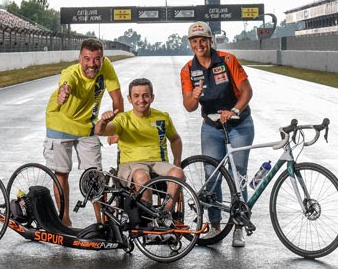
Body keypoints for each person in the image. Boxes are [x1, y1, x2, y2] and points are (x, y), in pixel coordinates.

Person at [180, 21, 254, 247]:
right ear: (191, 44)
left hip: (239, 124)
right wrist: (194, 94)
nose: (199, 44)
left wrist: (234, 111)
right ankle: (215, 226)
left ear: (210, 40)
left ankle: (239, 227)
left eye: (203, 39)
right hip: (211, 128)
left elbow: (247, 91)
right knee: (212, 176)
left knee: (238, 176)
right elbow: (189, 106)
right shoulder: (187, 70)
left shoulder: (228, 60)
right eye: (195, 41)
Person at [43, 38, 124, 227]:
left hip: (88, 125)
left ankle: (102, 221)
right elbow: (65, 84)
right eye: (87, 59)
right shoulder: (70, 73)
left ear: (103, 59)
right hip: (60, 123)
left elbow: (117, 98)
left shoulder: (106, 67)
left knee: (95, 174)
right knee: (62, 172)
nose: (92, 64)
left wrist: (118, 127)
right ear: (80, 58)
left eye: (97, 59)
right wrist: (64, 92)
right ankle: (64, 221)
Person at [94, 78, 184, 212]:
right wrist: (104, 121)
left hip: (158, 163)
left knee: (178, 173)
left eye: (145, 95)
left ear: (152, 97)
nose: (141, 100)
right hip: (131, 164)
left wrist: (177, 162)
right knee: (142, 176)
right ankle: (146, 218)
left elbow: (175, 139)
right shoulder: (123, 118)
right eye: (136, 96)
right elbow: (99, 131)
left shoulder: (162, 117)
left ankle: (166, 214)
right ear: (129, 99)